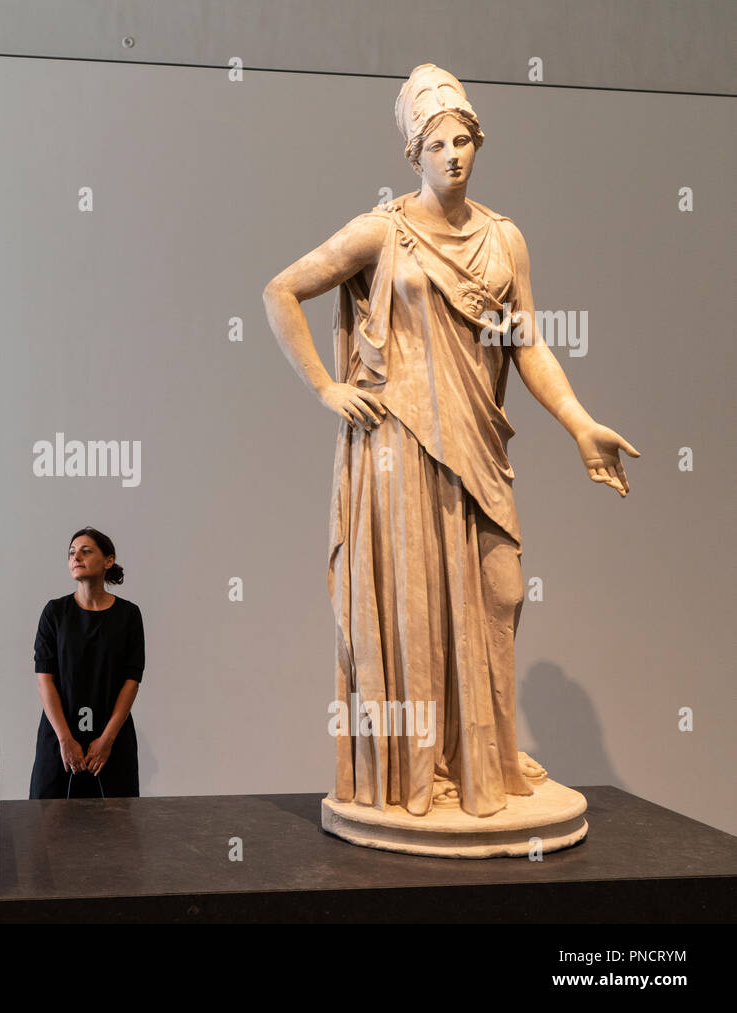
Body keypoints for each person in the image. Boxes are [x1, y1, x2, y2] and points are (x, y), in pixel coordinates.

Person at [261, 65, 638, 818]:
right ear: (414, 153)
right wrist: (327, 389)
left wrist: (578, 422)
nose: (453, 155)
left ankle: (483, 754)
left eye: (463, 140)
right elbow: (281, 291)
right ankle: (419, 766)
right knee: (416, 609)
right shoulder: (383, 230)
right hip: (401, 448)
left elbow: (527, 344)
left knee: (501, 592)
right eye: (438, 144)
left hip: (478, 445)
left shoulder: (505, 240)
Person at [29, 527, 145, 799]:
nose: (76, 556)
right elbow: (44, 678)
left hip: (112, 740)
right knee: (50, 828)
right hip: (59, 738)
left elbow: (132, 680)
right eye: (71, 552)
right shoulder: (54, 612)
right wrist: (65, 739)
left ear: (108, 561)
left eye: (86, 550)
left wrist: (106, 740)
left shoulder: (129, 615)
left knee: (116, 829)